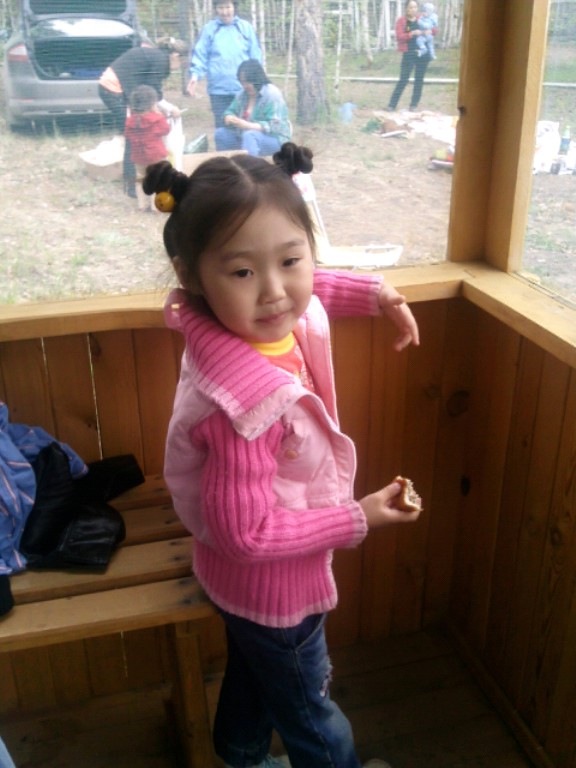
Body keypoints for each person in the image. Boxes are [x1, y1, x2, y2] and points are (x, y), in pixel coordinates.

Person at [142, 142, 421, 768]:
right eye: (242, 272)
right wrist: (357, 517)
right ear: (193, 277)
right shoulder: (241, 408)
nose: (274, 292)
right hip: (272, 587)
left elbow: (309, 290)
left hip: (243, 586)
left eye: (290, 259)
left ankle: (240, 758)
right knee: (311, 713)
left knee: (257, 674)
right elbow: (245, 534)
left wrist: (376, 292)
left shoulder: (241, 321)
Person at [98, 37, 186, 196]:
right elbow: (152, 90)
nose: (180, 67)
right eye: (182, 62)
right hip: (113, 88)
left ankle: (137, 179)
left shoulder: (157, 57)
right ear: (175, 56)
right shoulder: (160, 60)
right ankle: (131, 185)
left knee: (136, 133)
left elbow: (150, 92)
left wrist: (161, 108)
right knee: (133, 136)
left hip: (116, 87)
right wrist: (169, 108)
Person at [186, 1, 262, 129]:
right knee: (223, 129)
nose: (225, 12)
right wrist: (195, 76)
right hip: (218, 90)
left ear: (234, 7)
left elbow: (255, 57)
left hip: (243, 89)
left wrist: (258, 80)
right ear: (215, 9)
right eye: (220, 7)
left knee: (245, 127)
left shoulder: (245, 28)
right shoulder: (210, 29)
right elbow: (201, 54)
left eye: (228, 7)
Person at [215, 59, 291, 156]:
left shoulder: (272, 94)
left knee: (250, 136)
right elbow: (230, 111)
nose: (245, 86)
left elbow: (275, 126)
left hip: (274, 139)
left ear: (257, 79)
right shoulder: (242, 95)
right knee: (221, 134)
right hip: (244, 136)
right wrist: (228, 117)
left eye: (248, 82)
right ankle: (226, 164)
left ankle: (250, 165)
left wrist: (247, 125)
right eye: (242, 82)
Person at [385, 0, 438, 112]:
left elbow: (434, 29)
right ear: (406, 8)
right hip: (409, 53)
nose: (413, 10)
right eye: (410, 7)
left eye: (415, 7)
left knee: (419, 80)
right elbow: (399, 36)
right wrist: (412, 33)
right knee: (403, 79)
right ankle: (392, 105)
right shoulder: (402, 21)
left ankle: (414, 105)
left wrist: (430, 31)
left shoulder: (422, 18)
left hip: (423, 54)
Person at [124, 85, 170, 211]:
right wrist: (160, 114)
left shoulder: (130, 120)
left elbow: (127, 135)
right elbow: (166, 130)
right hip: (156, 156)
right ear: (152, 104)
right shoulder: (157, 119)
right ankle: (156, 206)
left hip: (138, 156)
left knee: (141, 179)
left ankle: (142, 205)